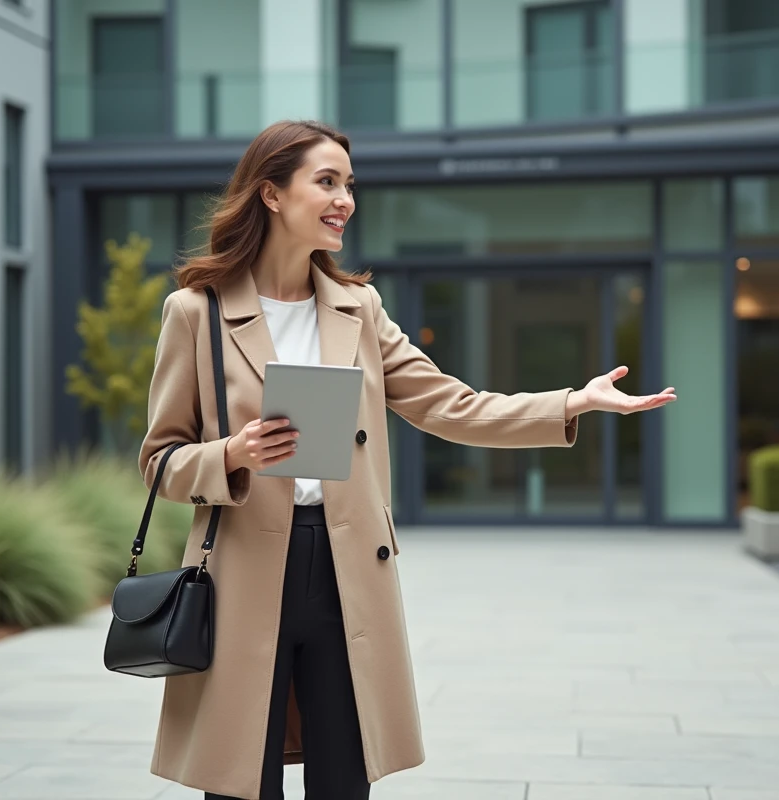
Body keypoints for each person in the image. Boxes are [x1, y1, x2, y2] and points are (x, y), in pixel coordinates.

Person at [137, 120, 677, 800]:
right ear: (271, 195)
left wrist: (571, 402)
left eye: (350, 185)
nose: (346, 201)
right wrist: (231, 454)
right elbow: (160, 460)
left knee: (345, 779)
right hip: (243, 571)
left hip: (347, 569)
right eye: (327, 182)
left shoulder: (358, 309)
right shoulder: (196, 312)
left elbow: (454, 406)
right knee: (242, 783)